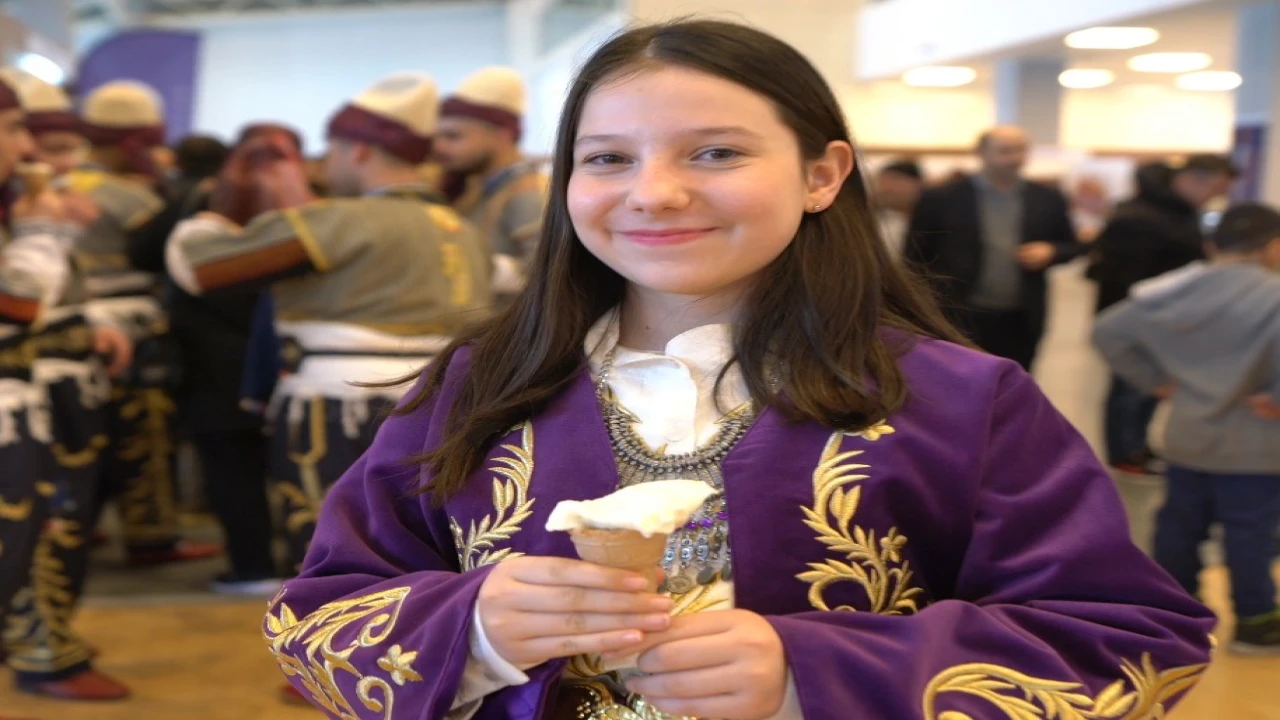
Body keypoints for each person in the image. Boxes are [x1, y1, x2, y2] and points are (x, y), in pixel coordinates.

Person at [263, 21, 1213, 720]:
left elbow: (1129, 639)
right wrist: (473, 629)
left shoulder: (961, 401)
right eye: (608, 158)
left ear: (822, 175)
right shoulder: (483, 383)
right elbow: (316, 615)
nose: (654, 192)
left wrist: (810, 673)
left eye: (715, 152)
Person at [165, 73, 493, 580]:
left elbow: (195, 266)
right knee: (429, 555)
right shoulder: (462, 229)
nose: (325, 163)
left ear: (357, 150)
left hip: (341, 410)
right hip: (450, 404)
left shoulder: (340, 220)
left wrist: (214, 215)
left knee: (337, 559)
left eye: (331, 149)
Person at [1093, 202, 1280, 654]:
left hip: (1185, 434)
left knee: (1178, 526)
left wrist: (1157, 382)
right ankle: (1256, 622)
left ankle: (1174, 615)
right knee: (1250, 534)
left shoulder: (1174, 289)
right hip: (1255, 441)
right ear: (1273, 246)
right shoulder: (1274, 293)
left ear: (1212, 244)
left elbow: (1107, 331)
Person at [0, 70, 133, 705]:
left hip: (35, 391)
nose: (31, 152)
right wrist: (46, 234)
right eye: (15, 130)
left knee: (53, 524)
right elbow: (18, 306)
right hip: (25, 390)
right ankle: (43, 647)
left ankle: (44, 638)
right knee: (45, 527)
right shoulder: (29, 213)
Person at [1088, 155, 1238, 474]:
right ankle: (1125, 453)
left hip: (1164, 319)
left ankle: (1138, 448)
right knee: (1132, 387)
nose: (1215, 197)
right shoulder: (1142, 217)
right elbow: (1122, 282)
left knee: (1150, 388)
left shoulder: (1177, 213)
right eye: (1215, 189)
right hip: (1141, 321)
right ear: (1190, 180)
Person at [905, 126, 1080, 371]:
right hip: (959, 312)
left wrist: (1051, 251)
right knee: (961, 379)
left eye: (1021, 150)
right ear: (981, 153)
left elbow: (1072, 245)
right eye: (1005, 151)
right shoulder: (943, 198)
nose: (1015, 158)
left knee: (1015, 381)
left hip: (1021, 315)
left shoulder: (1047, 198)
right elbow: (914, 256)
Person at [437, 67, 548, 304]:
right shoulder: (479, 188)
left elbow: (546, 274)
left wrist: (463, 268)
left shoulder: (527, 191)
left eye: (453, 136)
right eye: (438, 137)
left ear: (503, 134)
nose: (440, 148)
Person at [872, 157, 923, 259]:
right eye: (882, 182)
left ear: (917, 184)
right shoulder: (875, 220)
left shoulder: (932, 222)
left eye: (894, 181)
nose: (886, 189)